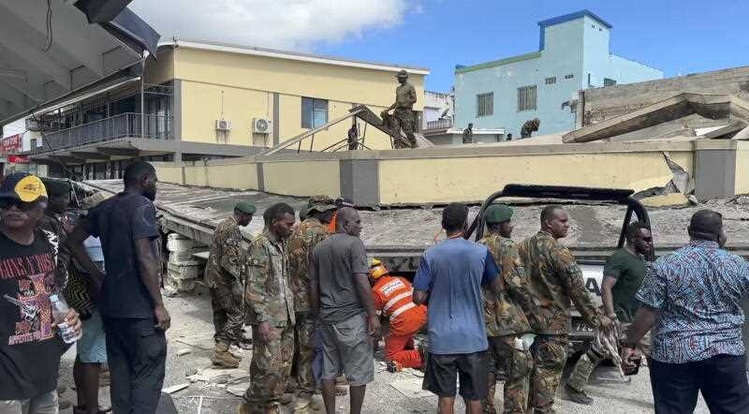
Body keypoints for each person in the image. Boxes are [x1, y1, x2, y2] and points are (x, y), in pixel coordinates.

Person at [622, 210, 749, 413]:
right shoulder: (739, 265)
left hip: (674, 357)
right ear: (720, 233)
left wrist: (629, 343)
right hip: (725, 355)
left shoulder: (666, 264)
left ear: (689, 231)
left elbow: (648, 313)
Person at [67, 160, 169, 414]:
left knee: (120, 370)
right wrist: (158, 305)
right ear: (144, 180)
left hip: (112, 308)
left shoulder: (105, 207)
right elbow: (144, 256)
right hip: (140, 310)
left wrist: (97, 274)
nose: (155, 186)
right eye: (154, 181)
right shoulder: (142, 206)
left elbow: (73, 241)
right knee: (148, 372)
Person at [518, 205, 613, 414]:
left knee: (529, 373)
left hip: (527, 323)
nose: (568, 225)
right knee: (547, 373)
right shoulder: (559, 252)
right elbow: (577, 291)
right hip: (553, 327)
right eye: (562, 221)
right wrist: (598, 318)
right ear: (548, 223)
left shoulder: (522, 247)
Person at [0, 172, 81, 414]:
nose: (12, 208)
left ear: (41, 207)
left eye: (22, 203)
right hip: (6, 380)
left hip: (43, 372)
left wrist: (66, 313)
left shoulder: (46, 243)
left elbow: (49, 291)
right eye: (5, 202)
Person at [413, 203, 502, 414]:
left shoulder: (430, 254)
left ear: (443, 225)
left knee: (445, 399)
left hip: (442, 340)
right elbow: (498, 287)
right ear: (464, 225)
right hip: (473, 339)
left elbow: (418, 298)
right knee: (474, 399)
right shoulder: (481, 252)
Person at [565, 222, 653, 405]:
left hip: (636, 318)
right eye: (646, 239)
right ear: (632, 238)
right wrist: (611, 315)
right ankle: (573, 387)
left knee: (653, 354)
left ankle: (664, 396)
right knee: (597, 352)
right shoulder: (619, 258)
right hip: (620, 317)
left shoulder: (639, 258)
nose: (650, 242)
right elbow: (606, 287)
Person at [310, 207, 380, 414]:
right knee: (358, 372)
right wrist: (372, 315)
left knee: (328, 370)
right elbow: (361, 280)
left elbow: (313, 285)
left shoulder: (319, 248)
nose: (361, 226)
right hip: (351, 317)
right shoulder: (354, 244)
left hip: (327, 318)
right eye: (357, 222)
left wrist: (318, 315)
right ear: (345, 224)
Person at [478, 204, 537, 414]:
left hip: (482, 322)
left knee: (486, 371)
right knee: (518, 371)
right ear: (499, 225)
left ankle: (485, 410)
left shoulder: (477, 246)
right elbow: (517, 283)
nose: (511, 226)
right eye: (508, 222)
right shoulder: (507, 246)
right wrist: (531, 308)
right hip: (507, 322)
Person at [240, 203, 296, 414]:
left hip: (286, 317)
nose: (291, 227)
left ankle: (271, 403)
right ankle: (250, 404)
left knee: (283, 367)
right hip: (269, 320)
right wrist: (262, 319)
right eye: (288, 224)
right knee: (267, 368)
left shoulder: (281, 243)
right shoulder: (260, 246)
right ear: (274, 222)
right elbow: (254, 288)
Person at [286, 196, 336, 412]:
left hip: (289, 299)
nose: (332, 214)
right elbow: (326, 271)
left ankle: (290, 386)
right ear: (320, 211)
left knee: (293, 347)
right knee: (310, 350)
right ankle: (304, 399)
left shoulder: (292, 230)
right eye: (330, 210)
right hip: (310, 301)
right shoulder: (322, 234)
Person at [65, 195, 110, 414]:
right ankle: (92, 408)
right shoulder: (94, 241)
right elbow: (97, 279)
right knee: (93, 357)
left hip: (79, 301)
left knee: (83, 354)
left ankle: (83, 403)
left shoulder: (81, 235)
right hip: (92, 304)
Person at [205, 202, 255, 368]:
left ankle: (220, 349)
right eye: (249, 216)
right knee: (238, 314)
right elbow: (229, 260)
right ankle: (221, 350)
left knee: (220, 313)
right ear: (240, 214)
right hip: (224, 280)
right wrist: (235, 283)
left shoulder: (222, 224)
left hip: (213, 277)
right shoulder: (232, 229)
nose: (250, 219)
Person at [369, 258, 427, 370]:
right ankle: (409, 349)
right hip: (422, 315)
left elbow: (376, 322)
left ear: (371, 279)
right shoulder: (400, 279)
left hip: (405, 322)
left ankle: (423, 357)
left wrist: (374, 343)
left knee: (391, 356)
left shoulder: (375, 292)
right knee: (403, 332)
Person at [384, 70, 418, 148]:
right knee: (395, 129)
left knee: (407, 130)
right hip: (398, 111)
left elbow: (414, 99)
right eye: (398, 77)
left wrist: (404, 101)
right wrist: (388, 109)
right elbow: (397, 102)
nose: (398, 79)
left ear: (404, 78)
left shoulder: (410, 87)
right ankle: (398, 145)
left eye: (399, 78)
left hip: (406, 111)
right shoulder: (398, 88)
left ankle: (413, 142)